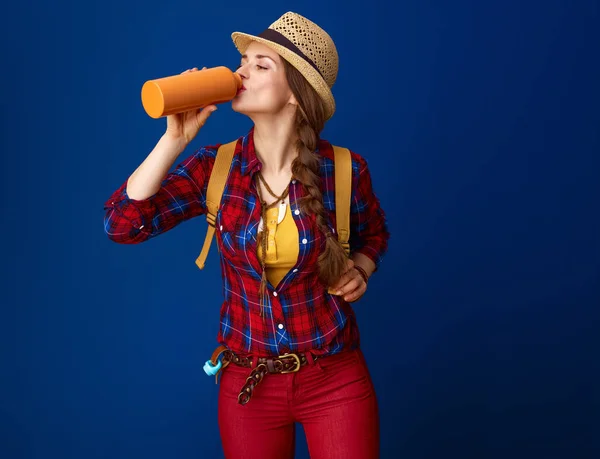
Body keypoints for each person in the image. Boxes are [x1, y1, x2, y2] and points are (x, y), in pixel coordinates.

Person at [103, 11, 389, 459]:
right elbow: (122, 224)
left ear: (296, 92)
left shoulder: (346, 170)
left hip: (334, 378)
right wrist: (174, 139)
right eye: (242, 60)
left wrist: (361, 269)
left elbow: (374, 232)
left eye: (260, 64)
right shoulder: (214, 166)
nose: (240, 72)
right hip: (248, 387)